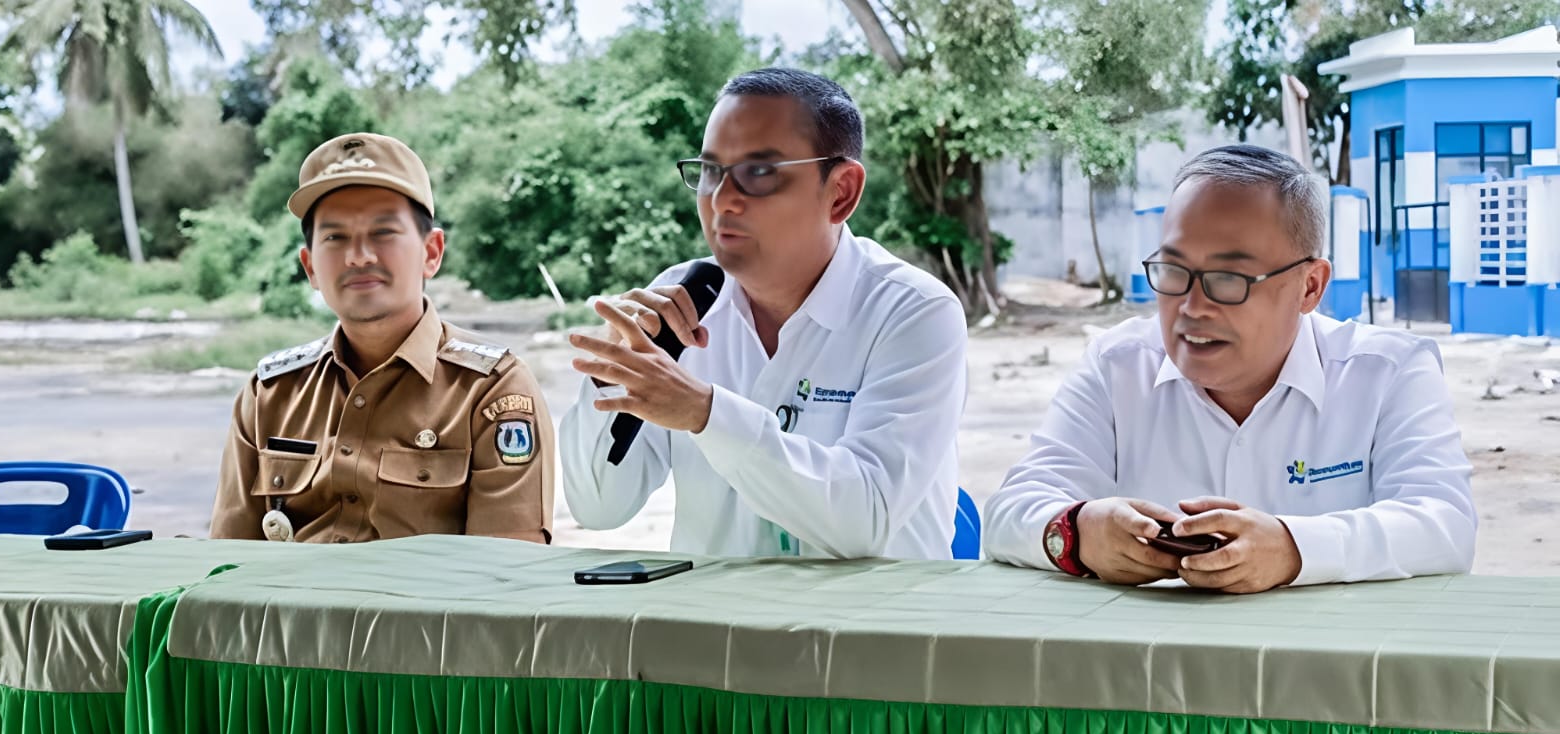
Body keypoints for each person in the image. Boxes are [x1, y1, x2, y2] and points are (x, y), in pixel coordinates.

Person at [984, 144, 1476, 592]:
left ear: (1311, 287)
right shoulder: (1118, 367)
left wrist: (1293, 549)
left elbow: (1445, 525)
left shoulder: (1387, 373)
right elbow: (1008, 513)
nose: (1192, 306)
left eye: (1229, 278)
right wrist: (1078, 534)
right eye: (1174, 271)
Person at [559, 68, 968, 559]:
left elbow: (866, 519)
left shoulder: (914, 313)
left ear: (841, 193)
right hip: (719, 629)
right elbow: (599, 508)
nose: (722, 200)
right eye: (710, 171)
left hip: (868, 628)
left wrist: (706, 414)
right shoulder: (677, 301)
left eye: (759, 173)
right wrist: (614, 378)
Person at [210, 132, 554, 544]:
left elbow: (505, 575)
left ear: (432, 252)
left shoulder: (490, 391)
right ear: (311, 267)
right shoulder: (270, 395)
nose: (359, 256)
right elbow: (229, 561)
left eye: (383, 233)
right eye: (335, 237)